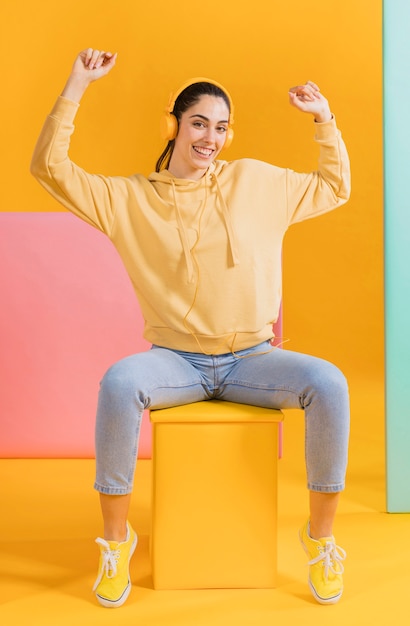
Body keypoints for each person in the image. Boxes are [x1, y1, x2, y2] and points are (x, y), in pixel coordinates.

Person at [31, 47, 351, 608]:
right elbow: (49, 169)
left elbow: (333, 187)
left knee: (328, 384)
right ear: (173, 124)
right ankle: (114, 543)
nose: (210, 137)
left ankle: (320, 541)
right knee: (118, 383)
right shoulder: (129, 199)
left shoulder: (257, 182)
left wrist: (324, 119)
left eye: (221, 128)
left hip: (254, 358)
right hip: (175, 361)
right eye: (199, 122)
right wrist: (76, 86)